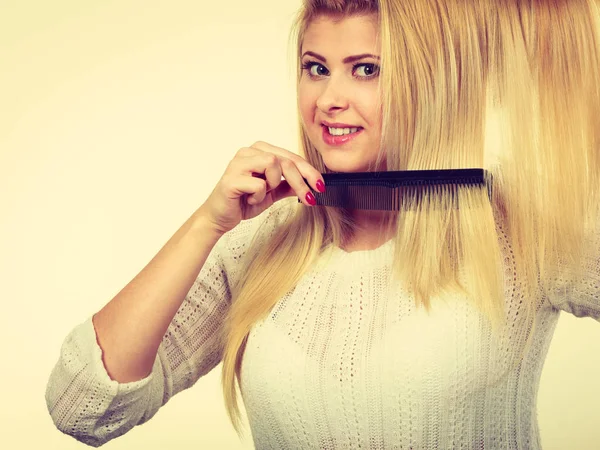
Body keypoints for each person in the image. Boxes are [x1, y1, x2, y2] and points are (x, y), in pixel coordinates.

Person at [45, 0, 600, 448]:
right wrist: (207, 225)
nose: (329, 100)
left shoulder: (514, 224)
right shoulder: (261, 242)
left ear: (427, 82)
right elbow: (84, 408)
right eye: (316, 68)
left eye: (366, 69)